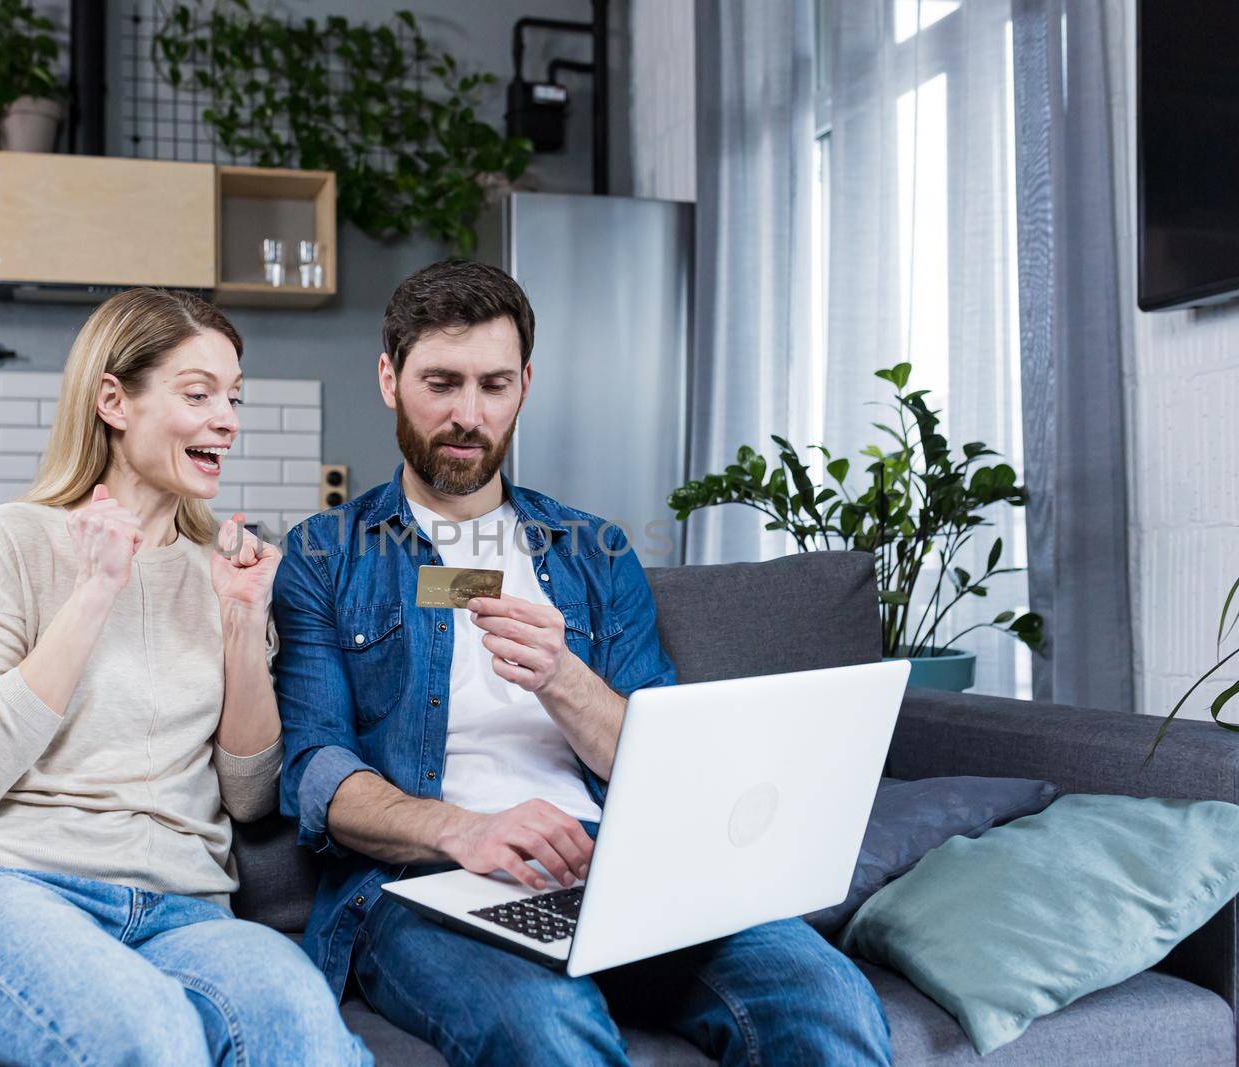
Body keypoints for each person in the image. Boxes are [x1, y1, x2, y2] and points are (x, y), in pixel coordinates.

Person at [272, 260, 891, 1066]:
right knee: (547, 1029)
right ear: (390, 379)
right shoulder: (324, 557)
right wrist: (470, 831)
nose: (468, 414)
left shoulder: (594, 552)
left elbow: (661, 761)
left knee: (827, 999)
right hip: (422, 883)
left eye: (493, 384)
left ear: (525, 384)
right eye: (441, 382)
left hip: (621, 867)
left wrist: (564, 678)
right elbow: (315, 769)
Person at [0, 288, 370, 1066]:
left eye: (234, 397)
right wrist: (94, 592)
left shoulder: (223, 567)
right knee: (152, 1033)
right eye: (199, 394)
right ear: (114, 400)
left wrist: (246, 624)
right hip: (14, 894)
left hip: (183, 914)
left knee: (304, 1026)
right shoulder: (10, 539)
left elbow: (250, 796)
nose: (228, 418)